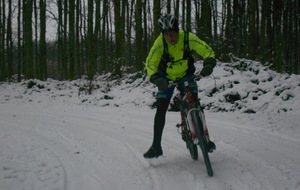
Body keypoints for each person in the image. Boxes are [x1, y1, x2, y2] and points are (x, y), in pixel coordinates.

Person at [144, 14, 216, 159]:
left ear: (178, 31)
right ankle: (156, 146)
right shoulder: (160, 43)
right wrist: (156, 78)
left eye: (173, 33)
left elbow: (206, 50)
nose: (170, 38)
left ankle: (205, 140)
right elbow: (150, 63)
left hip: (187, 75)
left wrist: (209, 63)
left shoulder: (188, 37)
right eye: (166, 35)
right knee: (161, 108)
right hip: (167, 78)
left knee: (195, 103)